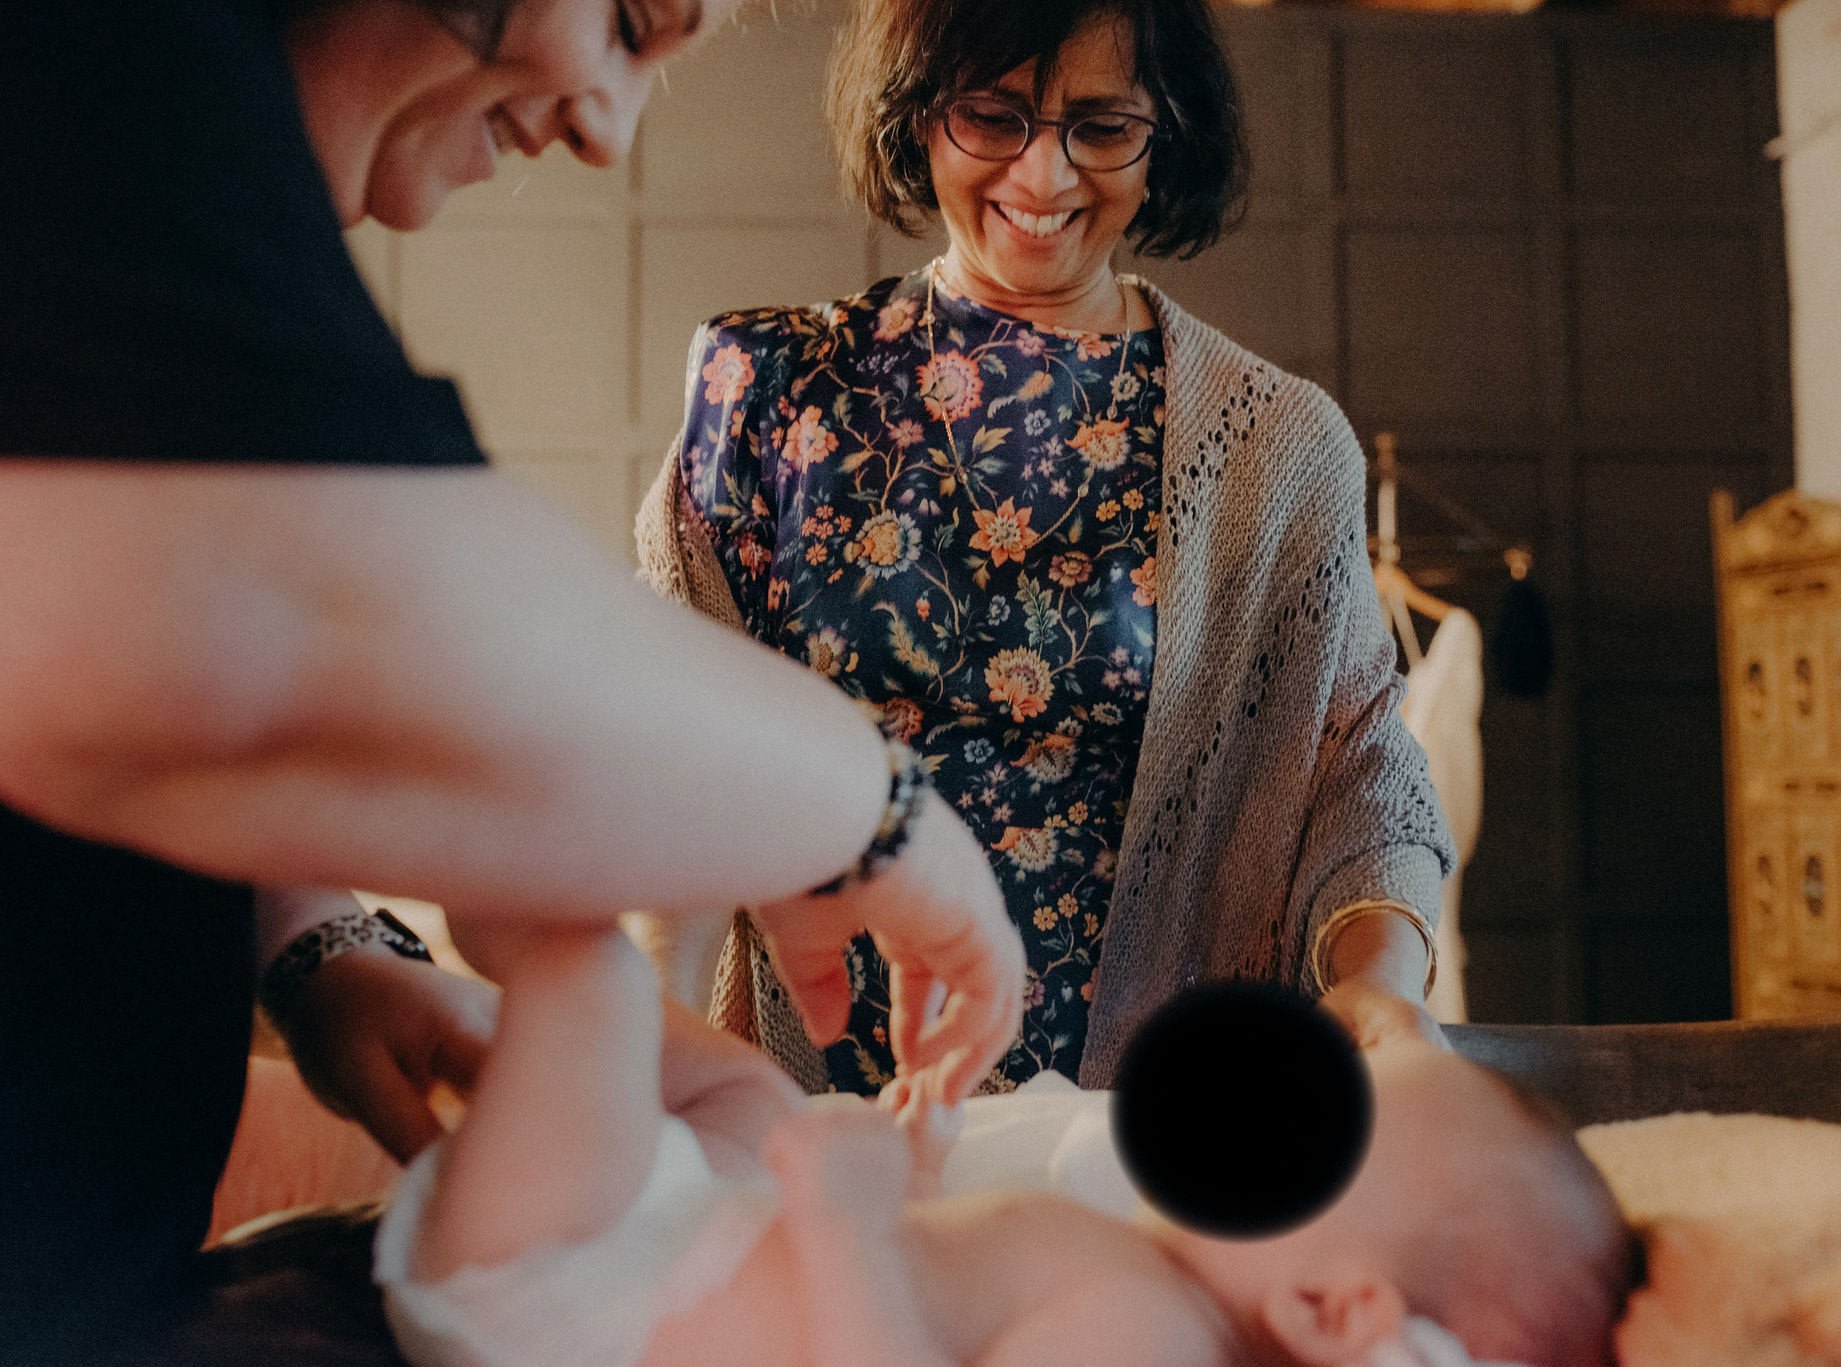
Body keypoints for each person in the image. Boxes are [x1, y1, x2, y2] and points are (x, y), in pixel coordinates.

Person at [0, 2, 1023, 1358]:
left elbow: (146, 624)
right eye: (629, 18)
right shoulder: (110, 53)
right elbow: (327, 620)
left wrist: (322, 948)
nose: (606, 125)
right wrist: (886, 818)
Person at [638, 0, 1457, 1097]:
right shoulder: (767, 389)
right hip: (808, 1116)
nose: (1043, 174)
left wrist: (1381, 988)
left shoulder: (1276, 443)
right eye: (993, 116)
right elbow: (656, 746)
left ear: (1162, 132)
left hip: (1141, 1128)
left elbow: (1358, 763)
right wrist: (642, 1042)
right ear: (917, 115)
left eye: (1100, 126)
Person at [374, 922, 1634, 1367]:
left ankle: (523, 969)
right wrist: (915, 1182)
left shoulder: (1155, 1339)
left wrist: (845, 1224)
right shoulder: (1151, 1285)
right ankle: (502, 1046)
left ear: (1326, 1302)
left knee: (587, 968)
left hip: (586, 1294)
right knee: (748, 1102)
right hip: (688, 1228)